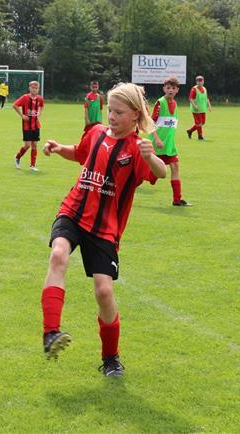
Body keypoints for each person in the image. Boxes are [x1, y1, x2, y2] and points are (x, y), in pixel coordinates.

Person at [40, 83, 167, 377]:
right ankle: (50, 333)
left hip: (105, 229)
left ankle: (111, 358)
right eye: (110, 109)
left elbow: (159, 172)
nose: (111, 116)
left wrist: (149, 156)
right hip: (73, 211)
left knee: (104, 291)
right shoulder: (95, 132)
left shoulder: (137, 148)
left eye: (119, 112)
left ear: (136, 115)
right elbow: (80, 153)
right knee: (58, 255)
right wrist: (60, 149)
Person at [149, 76, 192, 207]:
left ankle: (177, 200)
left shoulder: (175, 104)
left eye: (173, 88)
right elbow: (151, 123)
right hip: (158, 145)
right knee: (149, 174)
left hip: (169, 146)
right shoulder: (160, 103)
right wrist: (156, 139)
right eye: (168, 88)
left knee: (175, 167)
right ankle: (126, 185)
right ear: (164, 89)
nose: (170, 90)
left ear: (177, 90)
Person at [12, 81, 45, 172]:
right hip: (27, 125)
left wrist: (39, 113)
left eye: (36, 88)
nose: (35, 89)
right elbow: (14, 105)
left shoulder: (40, 99)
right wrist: (22, 115)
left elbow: (42, 106)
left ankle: (32, 165)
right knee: (27, 145)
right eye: (33, 88)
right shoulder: (25, 98)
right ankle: (17, 157)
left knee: (34, 145)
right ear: (29, 88)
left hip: (36, 125)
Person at [186, 75, 212, 140]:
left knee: (203, 122)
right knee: (199, 123)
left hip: (203, 109)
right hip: (196, 109)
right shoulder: (194, 89)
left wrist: (209, 106)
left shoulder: (204, 88)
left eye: (201, 81)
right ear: (196, 82)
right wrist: (195, 106)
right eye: (198, 81)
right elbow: (191, 99)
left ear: (203, 81)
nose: (199, 82)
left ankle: (190, 131)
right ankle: (200, 136)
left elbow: (206, 98)